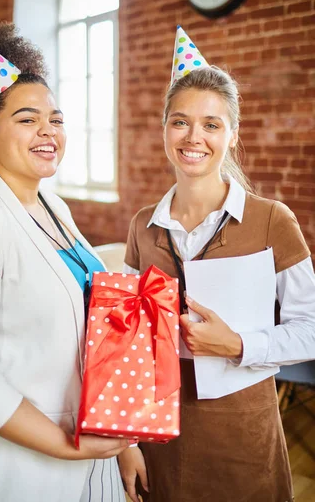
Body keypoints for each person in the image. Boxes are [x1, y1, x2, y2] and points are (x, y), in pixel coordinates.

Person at [0, 21, 128, 502]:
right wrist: (72, 448)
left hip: (90, 451)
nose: (48, 131)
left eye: (55, 119)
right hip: (20, 473)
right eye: (26, 118)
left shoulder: (53, 207)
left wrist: (121, 450)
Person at [118, 26, 315, 502]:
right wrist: (123, 444)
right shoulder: (144, 226)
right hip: (158, 435)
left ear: (231, 135)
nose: (193, 137)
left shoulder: (271, 221)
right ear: (164, 128)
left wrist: (236, 343)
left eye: (211, 124)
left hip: (242, 437)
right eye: (180, 121)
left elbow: (311, 327)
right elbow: (124, 345)